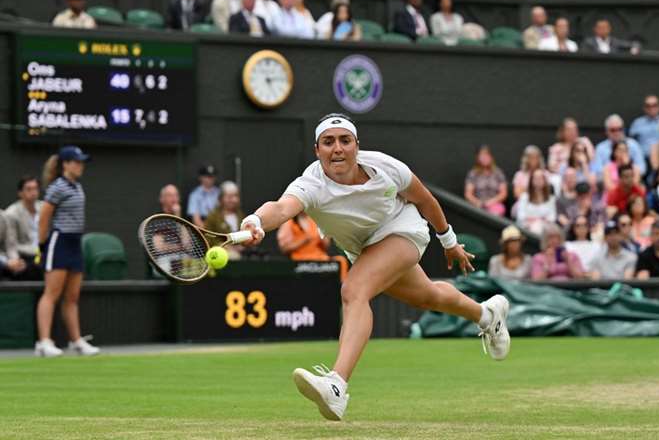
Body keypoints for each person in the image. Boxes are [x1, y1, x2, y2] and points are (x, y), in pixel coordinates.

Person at [240, 113, 511, 420]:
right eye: (328, 142)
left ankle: (337, 386)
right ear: (317, 150)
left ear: (357, 146)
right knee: (428, 296)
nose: (337, 148)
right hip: (366, 249)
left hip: (404, 230)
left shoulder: (386, 167)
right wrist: (257, 221)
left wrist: (448, 242)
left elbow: (424, 199)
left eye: (345, 140)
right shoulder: (310, 184)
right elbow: (281, 207)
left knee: (354, 290)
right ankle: (488, 315)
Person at [35, 146, 100, 357]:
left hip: (75, 243)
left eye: (82, 162)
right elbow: (44, 216)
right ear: (66, 164)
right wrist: (42, 245)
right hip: (59, 241)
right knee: (51, 294)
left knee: (72, 297)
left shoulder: (78, 187)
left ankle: (76, 341)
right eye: (77, 161)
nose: (80, 166)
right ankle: (44, 342)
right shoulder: (57, 187)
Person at [3, 175, 43, 281]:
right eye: (29, 189)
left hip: (44, 254)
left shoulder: (44, 208)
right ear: (20, 193)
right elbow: (11, 244)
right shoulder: (11, 213)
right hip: (25, 256)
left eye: (35, 188)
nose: (33, 192)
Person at [204, 182, 246, 260]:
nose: (234, 200)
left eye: (236, 196)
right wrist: (223, 246)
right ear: (221, 198)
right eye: (230, 197)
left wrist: (242, 246)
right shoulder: (213, 217)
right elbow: (207, 238)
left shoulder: (241, 216)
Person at [464, 145, 507, 217]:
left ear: (491, 157)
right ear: (477, 158)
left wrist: (491, 202)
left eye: (486, 154)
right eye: (481, 155)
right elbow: (468, 194)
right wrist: (478, 202)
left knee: (496, 212)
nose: (484, 158)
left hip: (495, 204)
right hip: (477, 204)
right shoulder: (473, 174)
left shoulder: (498, 173)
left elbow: (503, 193)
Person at [515, 170, 557, 235]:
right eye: (536, 178)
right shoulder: (524, 197)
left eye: (540, 178)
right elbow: (521, 216)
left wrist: (539, 221)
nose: (538, 181)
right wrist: (535, 221)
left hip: (545, 229)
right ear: (531, 180)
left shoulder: (551, 199)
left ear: (545, 181)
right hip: (527, 229)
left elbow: (552, 217)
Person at [629, 95, 659, 161]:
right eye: (648, 106)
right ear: (644, 108)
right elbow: (630, 142)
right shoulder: (637, 123)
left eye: (654, 105)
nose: (651, 108)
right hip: (643, 158)